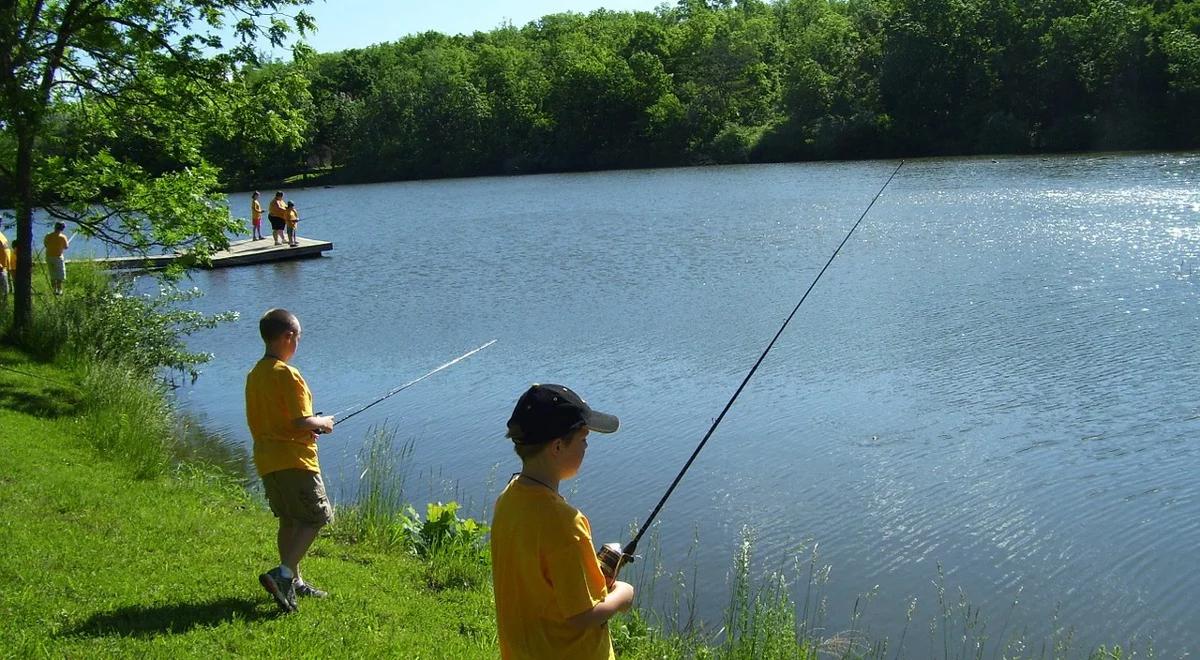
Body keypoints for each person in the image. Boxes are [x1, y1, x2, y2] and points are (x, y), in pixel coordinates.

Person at [491, 384, 635, 659]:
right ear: (557, 446)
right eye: (582, 439)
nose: (587, 446)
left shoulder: (507, 500)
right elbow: (582, 615)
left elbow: (542, 581)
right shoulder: (566, 523)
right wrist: (622, 597)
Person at [245, 308, 336, 613]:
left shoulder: (256, 374)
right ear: (288, 337)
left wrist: (310, 424)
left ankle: (294, 581)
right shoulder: (288, 374)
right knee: (316, 517)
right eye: (298, 337)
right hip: (295, 460)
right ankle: (283, 575)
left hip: (267, 461)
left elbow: (279, 420)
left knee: (289, 519)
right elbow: (301, 421)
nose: (298, 342)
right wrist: (323, 423)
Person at [43, 222, 70, 296]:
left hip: (49, 257)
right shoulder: (63, 237)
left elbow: (45, 244)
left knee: (52, 274)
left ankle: (54, 290)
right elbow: (66, 247)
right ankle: (59, 290)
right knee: (60, 274)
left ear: (55, 227)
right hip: (58, 257)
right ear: (62, 229)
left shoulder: (48, 236)